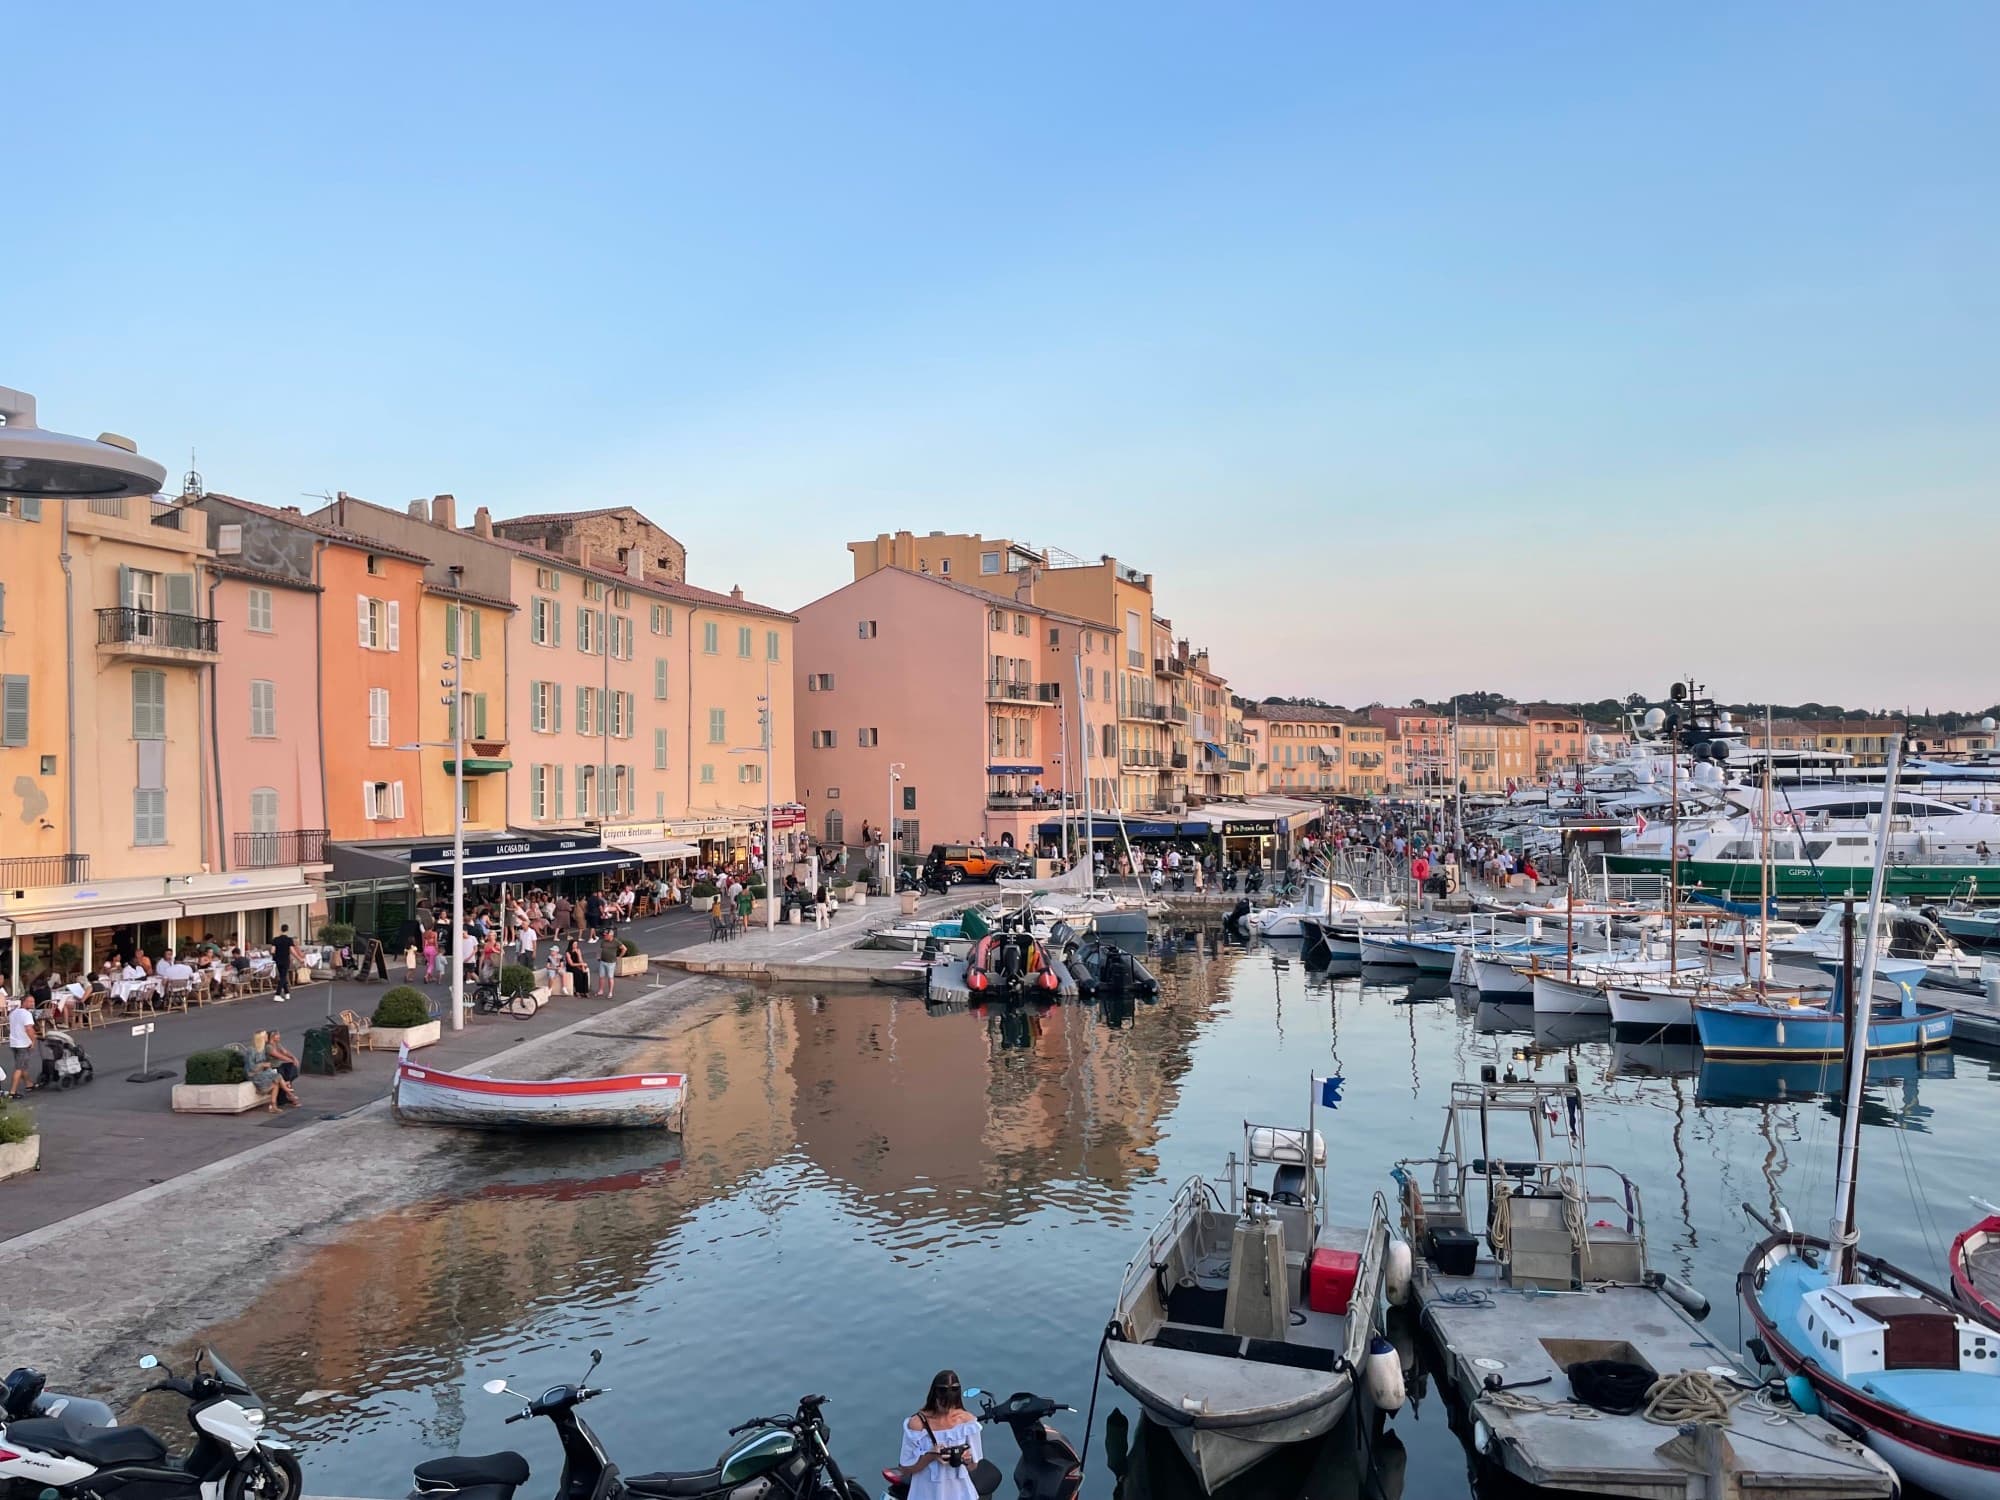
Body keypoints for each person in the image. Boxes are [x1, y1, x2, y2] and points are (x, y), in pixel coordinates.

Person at [898, 1372, 982, 1500]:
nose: (947, 1410)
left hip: (961, 1494)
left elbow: (973, 1467)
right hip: (926, 1494)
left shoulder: (968, 1423)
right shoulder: (917, 1425)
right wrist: (930, 1457)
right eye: (943, 1403)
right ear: (934, 1397)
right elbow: (905, 1469)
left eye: (951, 1405)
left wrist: (967, 1460)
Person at [248, 1030, 300, 1112]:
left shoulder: (262, 1049)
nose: (267, 1037)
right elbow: (251, 1067)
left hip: (265, 1071)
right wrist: (263, 1065)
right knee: (278, 1077)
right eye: (265, 1036)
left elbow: (284, 1052)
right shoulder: (253, 1050)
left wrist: (293, 1059)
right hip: (256, 1074)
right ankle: (289, 1093)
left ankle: (274, 1105)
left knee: (280, 1076)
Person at [6, 1000, 37, 1099]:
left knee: (22, 1065)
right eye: (30, 1001)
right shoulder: (27, 1014)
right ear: (23, 1002)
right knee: (19, 1068)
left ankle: (29, 1084)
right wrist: (33, 1040)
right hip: (23, 1043)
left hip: (14, 1043)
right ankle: (12, 1092)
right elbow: (29, 1028)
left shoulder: (13, 1012)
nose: (32, 1003)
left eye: (33, 1001)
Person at [271, 924, 296, 1000]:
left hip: (278, 960)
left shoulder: (275, 939)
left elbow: (272, 951)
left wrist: (275, 956)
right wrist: (299, 958)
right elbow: (292, 951)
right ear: (287, 930)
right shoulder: (289, 940)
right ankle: (277, 994)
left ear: (280, 929)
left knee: (282, 976)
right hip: (285, 960)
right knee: (283, 977)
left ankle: (287, 992)